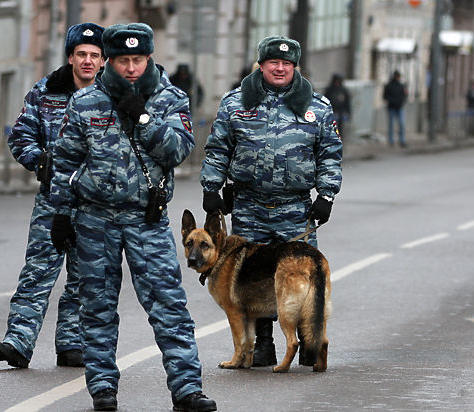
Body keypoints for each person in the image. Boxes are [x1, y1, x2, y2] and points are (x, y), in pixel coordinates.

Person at [49, 23, 216, 412]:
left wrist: (143, 118)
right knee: (97, 307)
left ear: (149, 58)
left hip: (147, 219)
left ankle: (187, 389)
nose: (130, 68)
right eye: (123, 60)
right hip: (95, 219)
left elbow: (178, 151)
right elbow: (65, 162)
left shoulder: (170, 98)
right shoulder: (86, 102)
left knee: (168, 305)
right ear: (108, 60)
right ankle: (103, 387)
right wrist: (61, 213)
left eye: (138, 59)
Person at [199, 35, 342, 367]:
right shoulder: (235, 103)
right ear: (261, 65)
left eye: (286, 63)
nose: (280, 68)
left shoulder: (317, 107)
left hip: (295, 206)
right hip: (249, 205)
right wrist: (211, 188)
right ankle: (263, 344)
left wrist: (326, 194)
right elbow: (218, 149)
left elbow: (330, 155)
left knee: (302, 276)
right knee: (252, 278)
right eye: (273, 62)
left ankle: (308, 342)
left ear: (295, 67)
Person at [0, 22, 105, 369]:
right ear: (71, 57)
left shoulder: (112, 96)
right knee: (37, 271)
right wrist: (39, 161)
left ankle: (72, 344)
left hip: (94, 204)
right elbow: (21, 136)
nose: (87, 61)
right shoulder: (46, 91)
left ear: (103, 60)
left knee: (84, 277)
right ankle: (18, 342)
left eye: (94, 55)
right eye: (81, 54)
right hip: (53, 199)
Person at [383, 70, 408, 147]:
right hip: (392, 108)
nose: (398, 78)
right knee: (391, 125)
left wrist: (402, 101)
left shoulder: (401, 86)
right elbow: (385, 96)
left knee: (402, 124)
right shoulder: (389, 86)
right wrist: (392, 101)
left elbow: (405, 95)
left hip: (400, 107)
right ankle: (391, 141)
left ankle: (402, 140)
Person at [324, 73, 351, 139]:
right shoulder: (329, 90)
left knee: (340, 129)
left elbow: (347, 102)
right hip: (331, 112)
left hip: (341, 113)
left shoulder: (343, 90)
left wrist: (348, 112)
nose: (337, 83)